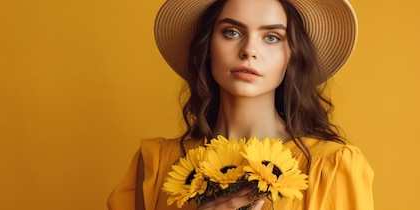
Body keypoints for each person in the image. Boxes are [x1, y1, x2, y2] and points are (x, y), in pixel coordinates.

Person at [108, 0, 374, 209]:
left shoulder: (329, 166)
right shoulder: (156, 165)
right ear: (207, 46)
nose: (249, 50)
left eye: (272, 37)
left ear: (292, 56)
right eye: (232, 32)